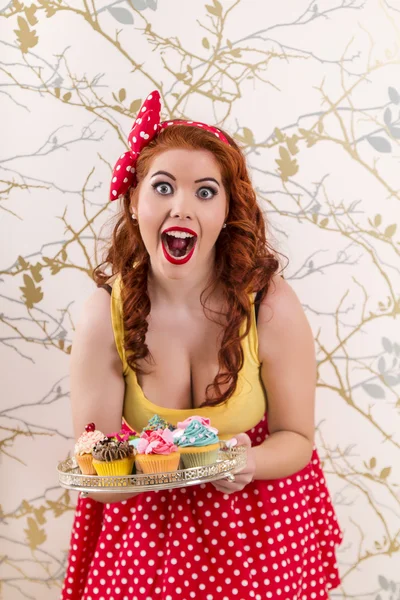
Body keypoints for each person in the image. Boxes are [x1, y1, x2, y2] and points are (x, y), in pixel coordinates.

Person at [60, 91, 342, 600]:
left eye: (205, 192)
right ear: (133, 200)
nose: (181, 207)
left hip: (258, 530)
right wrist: (139, 467)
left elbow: (297, 438)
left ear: (229, 208)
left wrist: (247, 460)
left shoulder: (268, 304)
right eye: (162, 187)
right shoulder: (104, 315)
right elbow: (94, 467)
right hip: (146, 538)